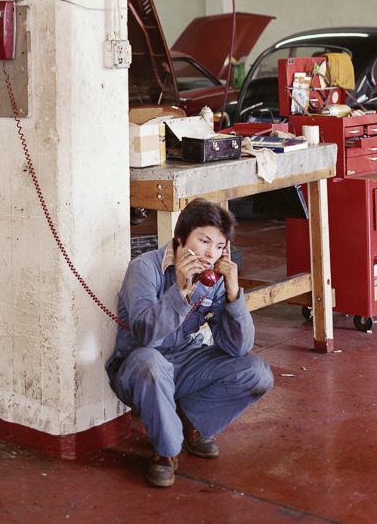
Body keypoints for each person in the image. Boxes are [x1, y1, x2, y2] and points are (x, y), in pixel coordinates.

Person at [106, 198, 274, 488]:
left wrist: (234, 294)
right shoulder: (145, 269)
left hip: (185, 361)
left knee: (256, 371)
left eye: (220, 246)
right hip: (140, 366)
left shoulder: (216, 278)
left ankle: (191, 423)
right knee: (150, 363)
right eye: (204, 241)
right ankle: (166, 452)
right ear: (181, 238)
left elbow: (238, 347)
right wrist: (180, 291)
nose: (211, 254)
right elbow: (145, 335)